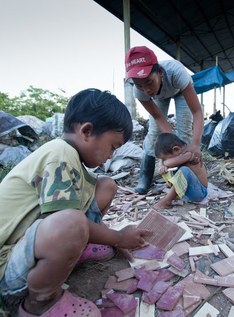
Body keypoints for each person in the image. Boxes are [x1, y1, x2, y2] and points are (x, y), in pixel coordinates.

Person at [0, 89, 151, 317]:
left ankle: (74, 250)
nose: (111, 155)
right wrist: (118, 238)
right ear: (87, 131)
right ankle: (40, 302)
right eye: (112, 146)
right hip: (7, 266)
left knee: (106, 184)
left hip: (30, 244)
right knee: (71, 222)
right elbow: (67, 220)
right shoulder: (59, 153)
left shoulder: (71, 159)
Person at [125, 46, 204, 195]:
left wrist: (195, 144)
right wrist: (168, 144)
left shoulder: (176, 72)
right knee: (154, 133)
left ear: (160, 73)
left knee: (184, 133)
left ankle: (183, 176)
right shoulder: (140, 91)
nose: (146, 90)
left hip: (180, 91)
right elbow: (158, 117)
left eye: (149, 82)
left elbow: (197, 111)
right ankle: (145, 176)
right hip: (160, 97)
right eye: (139, 85)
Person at [152, 133, 208, 210]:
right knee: (168, 170)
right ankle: (174, 191)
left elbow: (169, 163)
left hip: (199, 193)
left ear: (176, 149)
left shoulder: (189, 154)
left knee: (184, 170)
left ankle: (167, 201)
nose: (164, 161)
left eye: (165, 158)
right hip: (186, 192)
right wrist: (163, 165)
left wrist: (163, 163)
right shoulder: (179, 153)